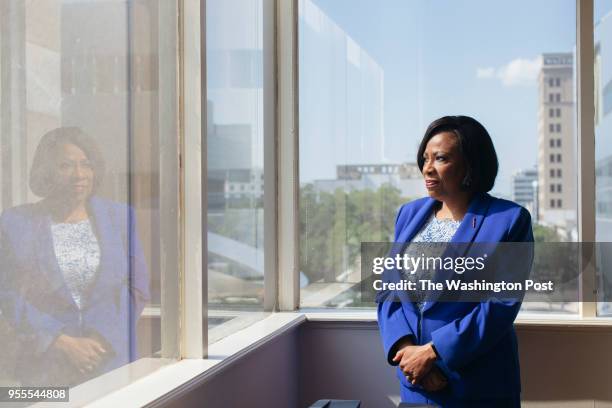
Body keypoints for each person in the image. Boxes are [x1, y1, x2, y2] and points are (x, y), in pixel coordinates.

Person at [377, 116, 533, 407]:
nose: (427, 168)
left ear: (470, 165)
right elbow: (389, 289)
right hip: (415, 383)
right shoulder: (408, 214)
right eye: (425, 158)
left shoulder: (510, 220)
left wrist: (435, 353)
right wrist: (407, 351)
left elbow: (502, 305)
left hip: (478, 386)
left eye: (441, 158)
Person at [0, 127, 150, 386]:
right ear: (46, 172)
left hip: (108, 361)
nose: (79, 175)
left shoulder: (119, 217)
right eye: (65, 166)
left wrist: (100, 339)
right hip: (45, 367)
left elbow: (137, 287)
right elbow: (8, 293)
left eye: (86, 165)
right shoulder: (15, 223)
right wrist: (60, 341)